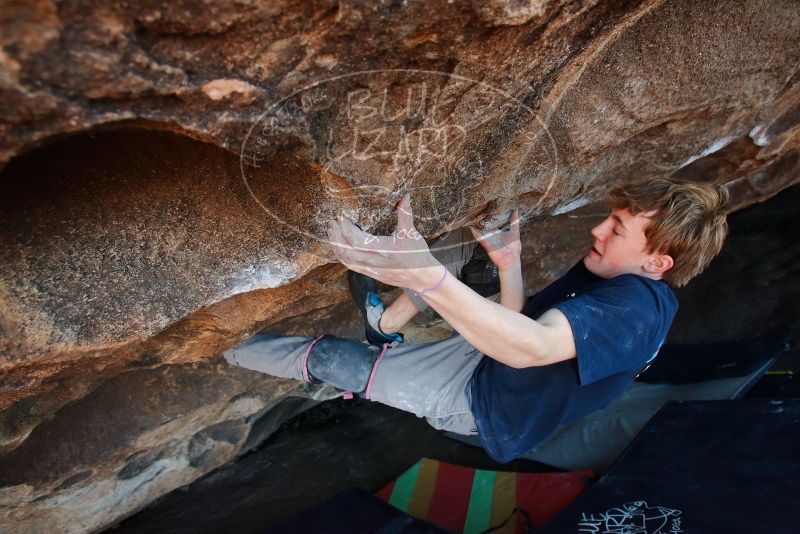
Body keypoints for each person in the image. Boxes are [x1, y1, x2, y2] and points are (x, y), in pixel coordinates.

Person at [224, 178, 729, 463]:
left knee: (335, 358)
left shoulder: (637, 310)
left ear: (657, 263)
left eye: (617, 228)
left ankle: (225, 347)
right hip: (497, 360)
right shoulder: (610, 269)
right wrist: (510, 267)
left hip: (482, 402)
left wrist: (423, 275)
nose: (597, 229)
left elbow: (530, 348)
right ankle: (384, 325)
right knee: (475, 255)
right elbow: (517, 324)